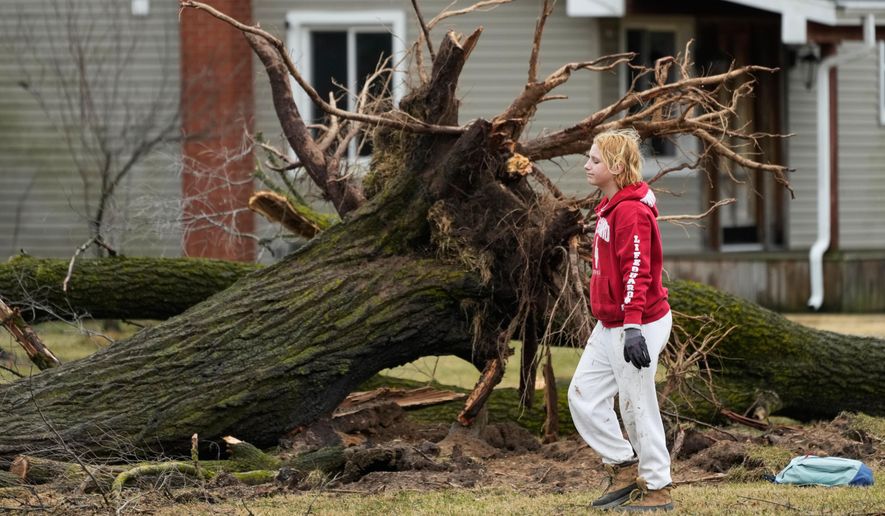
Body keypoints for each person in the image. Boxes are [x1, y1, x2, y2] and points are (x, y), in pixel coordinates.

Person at [568, 129, 674, 512]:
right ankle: (625, 467)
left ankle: (658, 488)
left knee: (635, 404)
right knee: (583, 395)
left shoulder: (630, 211)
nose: (586, 165)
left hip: (638, 324)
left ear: (615, 166)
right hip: (612, 322)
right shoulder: (612, 205)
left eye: (594, 160)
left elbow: (637, 272)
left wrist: (632, 327)